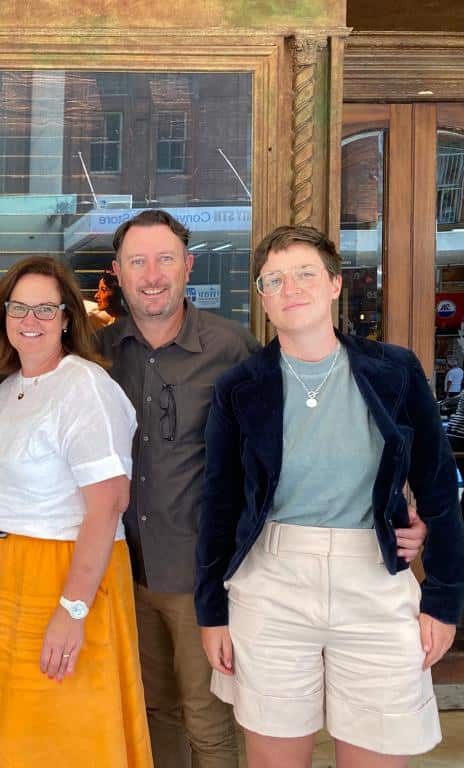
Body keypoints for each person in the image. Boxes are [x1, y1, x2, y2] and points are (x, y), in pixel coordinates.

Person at [197, 225, 464, 767]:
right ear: (262, 296)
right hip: (271, 585)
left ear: (335, 284)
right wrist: (212, 612)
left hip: (374, 581)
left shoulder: (395, 371)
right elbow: (219, 505)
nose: (290, 288)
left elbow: (438, 488)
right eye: (274, 279)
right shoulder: (239, 387)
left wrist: (443, 599)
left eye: (305, 273)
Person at [0, 256, 153, 768]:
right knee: (18, 731)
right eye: (19, 308)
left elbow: (108, 504)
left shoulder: (84, 387)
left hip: (64, 575)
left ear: (67, 318)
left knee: (69, 733)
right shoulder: (8, 387)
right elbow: (17, 491)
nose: (30, 320)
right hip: (3, 577)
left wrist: (73, 611)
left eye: (45, 309)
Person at [96, 209, 253, 768]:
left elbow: (270, 459)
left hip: (200, 578)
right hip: (121, 574)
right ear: (118, 272)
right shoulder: (95, 354)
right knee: (149, 713)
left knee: (208, 721)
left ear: (188, 266)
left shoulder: (233, 350)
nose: (152, 275)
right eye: (138, 262)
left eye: (164, 259)